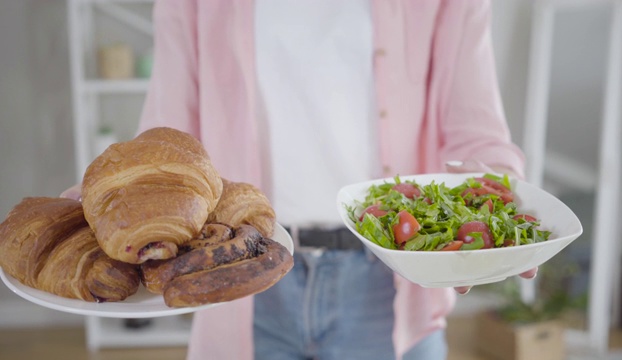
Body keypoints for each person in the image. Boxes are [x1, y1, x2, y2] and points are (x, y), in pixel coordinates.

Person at [63, 1, 537, 359]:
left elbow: (477, 133)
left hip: (386, 285)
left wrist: (498, 208)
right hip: (239, 278)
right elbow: (166, 132)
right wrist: (110, 203)